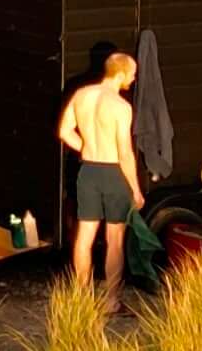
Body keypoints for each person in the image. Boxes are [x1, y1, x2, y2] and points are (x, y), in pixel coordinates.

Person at [59, 46, 144, 309]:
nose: (133, 80)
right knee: (115, 239)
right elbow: (125, 152)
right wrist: (136, 190)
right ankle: (111, 300)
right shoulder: (120, 106)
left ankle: (82, 296)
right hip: (112, 173)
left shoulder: (82, 95)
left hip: (88, 172)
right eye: (132, 75)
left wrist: (84, 147)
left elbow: (64, 131)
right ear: (121, 74)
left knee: (84, 237)